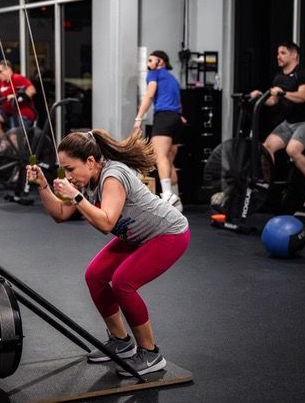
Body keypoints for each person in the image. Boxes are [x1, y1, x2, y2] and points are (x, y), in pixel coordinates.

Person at [26, 130, 189, 376]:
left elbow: (106, 223)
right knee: (95, 276)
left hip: (168, 233)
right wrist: (43, 186)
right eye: (64, 170)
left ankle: (151, 354)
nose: (68, 176)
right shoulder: (83, 180)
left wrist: (76, 196)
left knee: (123, 282)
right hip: (136, 236)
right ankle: (121, 342)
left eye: (70, 169)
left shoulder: (113, 176)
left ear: (90, 162)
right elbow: (60, 214)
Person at [249, 41, 305, 208]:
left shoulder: (303, 74)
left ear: (294, 55)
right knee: (266, 147)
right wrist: (260, 96)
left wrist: (283, 92)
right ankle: (266, 185)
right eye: (278, 53)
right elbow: (272, 101)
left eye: (283, 53)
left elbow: (304, 96)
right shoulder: (279, 78)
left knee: (292, 150)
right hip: (289, 123)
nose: (278, 56)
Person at [134, 50, 184, 212]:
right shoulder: (173, 79)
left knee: (159, 156)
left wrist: (139, 118)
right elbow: (178, 102)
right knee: (168, 160)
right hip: (176, 120)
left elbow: (149, 96)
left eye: (151, 60)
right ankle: (177, 201)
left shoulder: (153, 74)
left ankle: (168, 195)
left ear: (160, 62)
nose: (148, 63)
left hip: (163, 117)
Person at [0, 60, 37, 139]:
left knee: (14, 137)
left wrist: (16, 96)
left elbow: (32, 90)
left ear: (8, 70)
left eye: (0, 72)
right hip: (8, 114)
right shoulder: (1, 82)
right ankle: (4, 141)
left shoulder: (17, 78)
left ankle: (13, 147)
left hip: (22, 114)